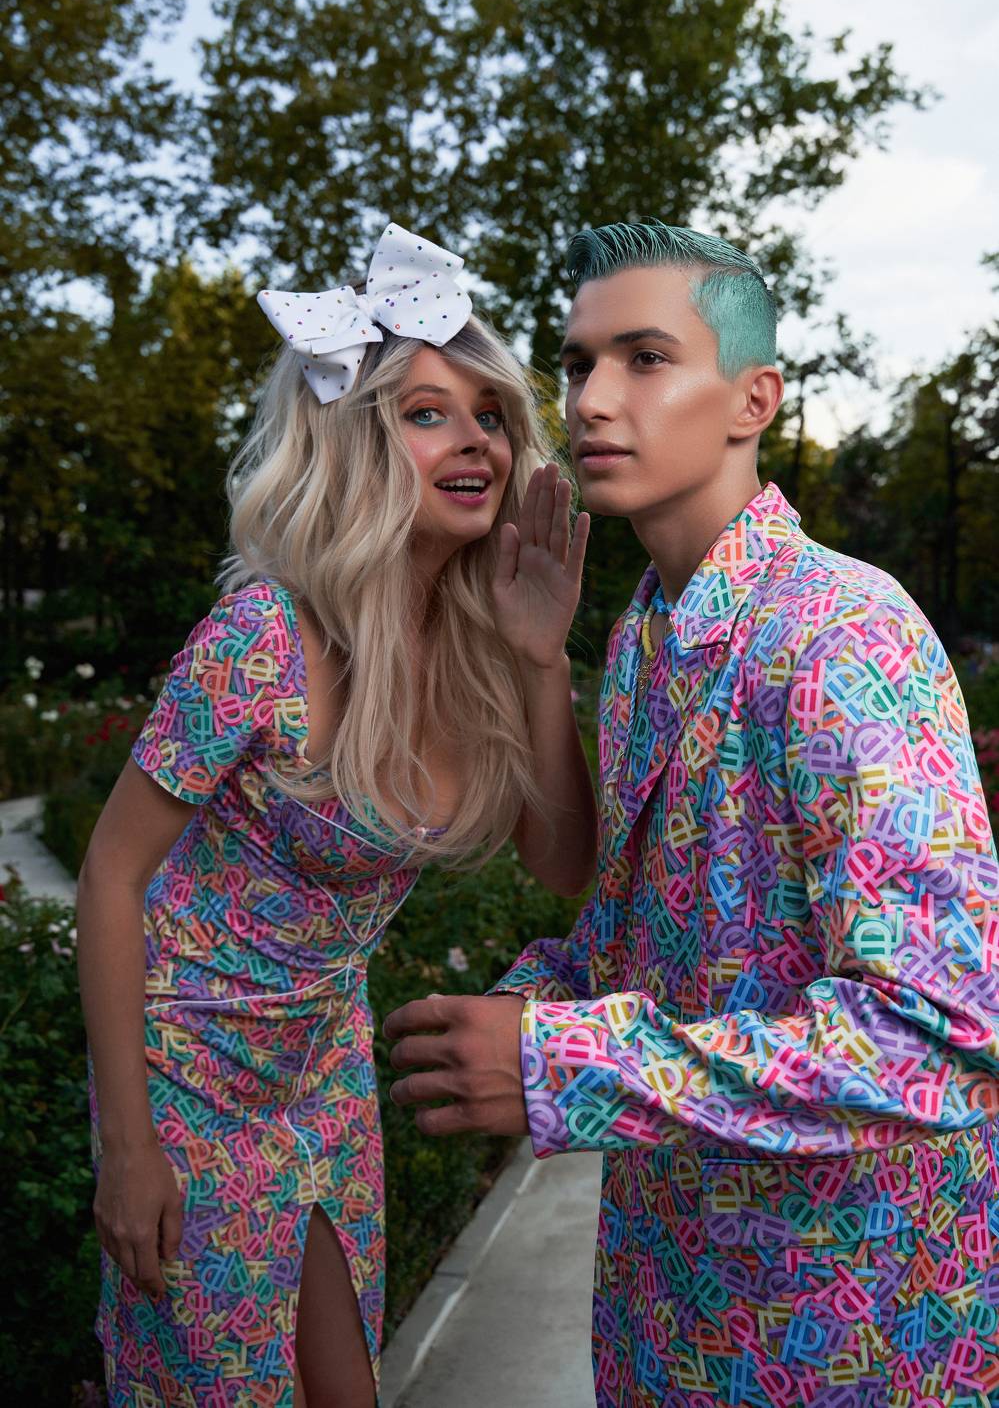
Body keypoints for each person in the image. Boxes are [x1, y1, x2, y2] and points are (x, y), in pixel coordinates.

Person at [385, 221, 999, 1407]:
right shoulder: (648, 637)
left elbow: (944, 1039)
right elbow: (653, 940)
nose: (590, 400)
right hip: (670, 1304)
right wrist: (526, 1009)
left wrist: (560, 1063)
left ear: (752, 401)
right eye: (578, 364)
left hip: (846, 1330)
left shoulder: (842, 635)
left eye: (646, 358)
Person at [76, 222, 596, 1408]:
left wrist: (543, 659)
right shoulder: (260, 641)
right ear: (357, 443)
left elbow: (564, 862)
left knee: (345, 1387)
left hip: (321, 1068)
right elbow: (111, 878)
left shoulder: (478, 653)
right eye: (427, 414)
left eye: (489, 414)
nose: (475, 438)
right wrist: (128, 1147)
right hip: (185, 1076)